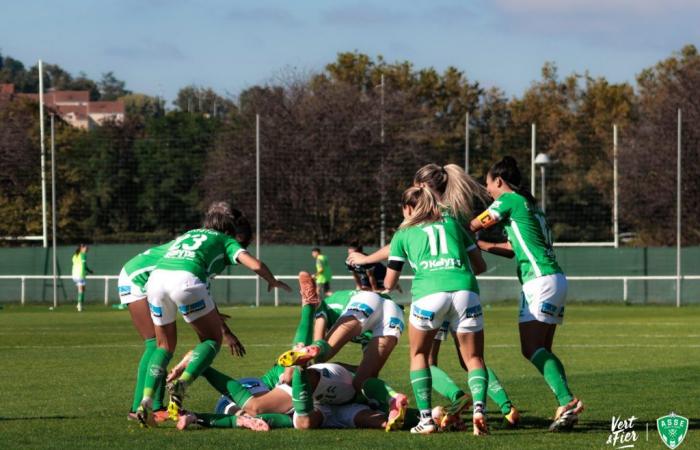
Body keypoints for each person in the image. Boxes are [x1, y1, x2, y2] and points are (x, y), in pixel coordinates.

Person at [135, 202, 291, 427]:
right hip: (186, 280)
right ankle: (184, 383)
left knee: (163, 346)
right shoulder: (225, 240)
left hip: (156, 280)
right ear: (228, 229)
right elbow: (254, 264)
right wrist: (272, 280)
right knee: (211, 339)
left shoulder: (187, 234)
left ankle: (146, 399)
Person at [469, 156, 583, 432]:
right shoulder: (531, 206)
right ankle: (566, 404)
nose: (488, 191)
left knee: (531, 348)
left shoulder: (508, 200)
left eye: (488, 185)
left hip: (539, 281)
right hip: (554, 278)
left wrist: (456, 227)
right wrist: (482, 245)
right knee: (542, 349)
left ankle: (568, 400)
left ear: (499, 181)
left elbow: (474, 224)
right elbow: (513, 247)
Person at [385, 186, 490, 435]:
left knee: (419, 354)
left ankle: (426, 420)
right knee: (474, 358)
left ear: (408, 208)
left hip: (429, 294)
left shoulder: (403, 232)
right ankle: (479, 411)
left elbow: (389, 283)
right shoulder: (454, 224)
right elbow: (480, 265)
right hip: (465, 291)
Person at [118, 242, 246, 423]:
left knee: (158, 344)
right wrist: (225, 331)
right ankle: (145, 408)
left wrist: (223, 327)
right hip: (135, 277)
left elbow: (202, 294)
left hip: (146, 275)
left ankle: (153, 405)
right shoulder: (205, 254)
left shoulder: (197, 246)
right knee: (154, 343)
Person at [276, 273, 408, 431]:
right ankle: (393, 398)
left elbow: (319, 348)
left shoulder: (325, 306)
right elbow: (368, 372)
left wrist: (317, 350)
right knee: (363, 382)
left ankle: (307, 312)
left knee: (320, 352)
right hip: (394, 313)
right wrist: (344, 367)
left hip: (366, 301)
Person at [71, 244, 93, 312]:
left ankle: (79, 304)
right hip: (80, 274)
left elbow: (81, 265)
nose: (87, 249)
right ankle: (79, 305)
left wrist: (89, 271)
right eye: (86, 247)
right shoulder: (83, 255)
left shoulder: (75, 255)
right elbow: (83, 265)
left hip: (74, 274)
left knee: (82, 289)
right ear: (81, 248)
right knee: (81, 290)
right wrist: (85, 272)